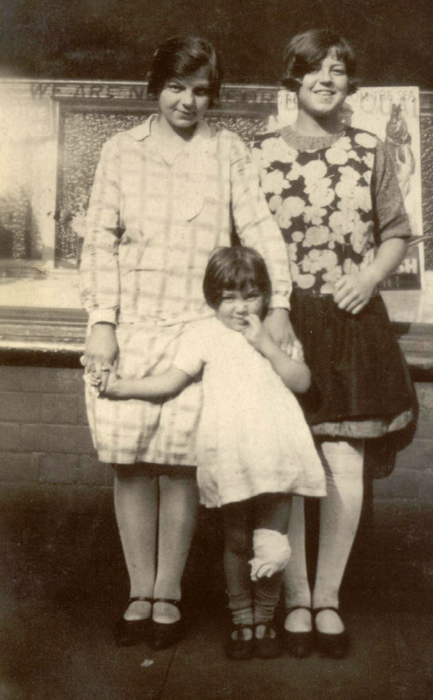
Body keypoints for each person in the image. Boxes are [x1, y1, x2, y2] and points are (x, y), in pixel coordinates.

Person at [79, 36, 296, 650]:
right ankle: (137, 590)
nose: (188, 100)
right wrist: (102, 321)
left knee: (178, 465)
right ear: (157, 87)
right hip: (128, 324)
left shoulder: (228, 152)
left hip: (202, 330)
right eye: (177, 87)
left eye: (201, 90)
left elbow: (258, 228)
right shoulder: (121, 151)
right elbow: (99, 239)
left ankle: (168, 592)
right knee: (129, 462)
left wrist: (277, 307)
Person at [251, 29, 417, 658]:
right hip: (285, 323)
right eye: (313, 68)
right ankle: (294, 599)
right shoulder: (258, 153)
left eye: (338, 69)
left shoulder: (370, 150)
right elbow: (242, 242)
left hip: (351, 324)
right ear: (291, 78)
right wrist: (270, 312)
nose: (326, 78)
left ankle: (328, 598)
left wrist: (370, 275)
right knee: (291, 460)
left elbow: (397, 232)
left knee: (344, 459)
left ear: (351, 82)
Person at [94, 247, 326, 659]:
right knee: (238, 541)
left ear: (265, 295)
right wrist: (120, 387)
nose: (240, 307)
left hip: (276, 452)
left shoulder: (276, 332)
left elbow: (303, 382)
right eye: (228, 297)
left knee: (272, 544)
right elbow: (169, 381)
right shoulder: (204, 334)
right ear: (212, 298)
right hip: (231, 455)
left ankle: (265, 619)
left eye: (250, 295)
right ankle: (242, 619)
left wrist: (266, 345)